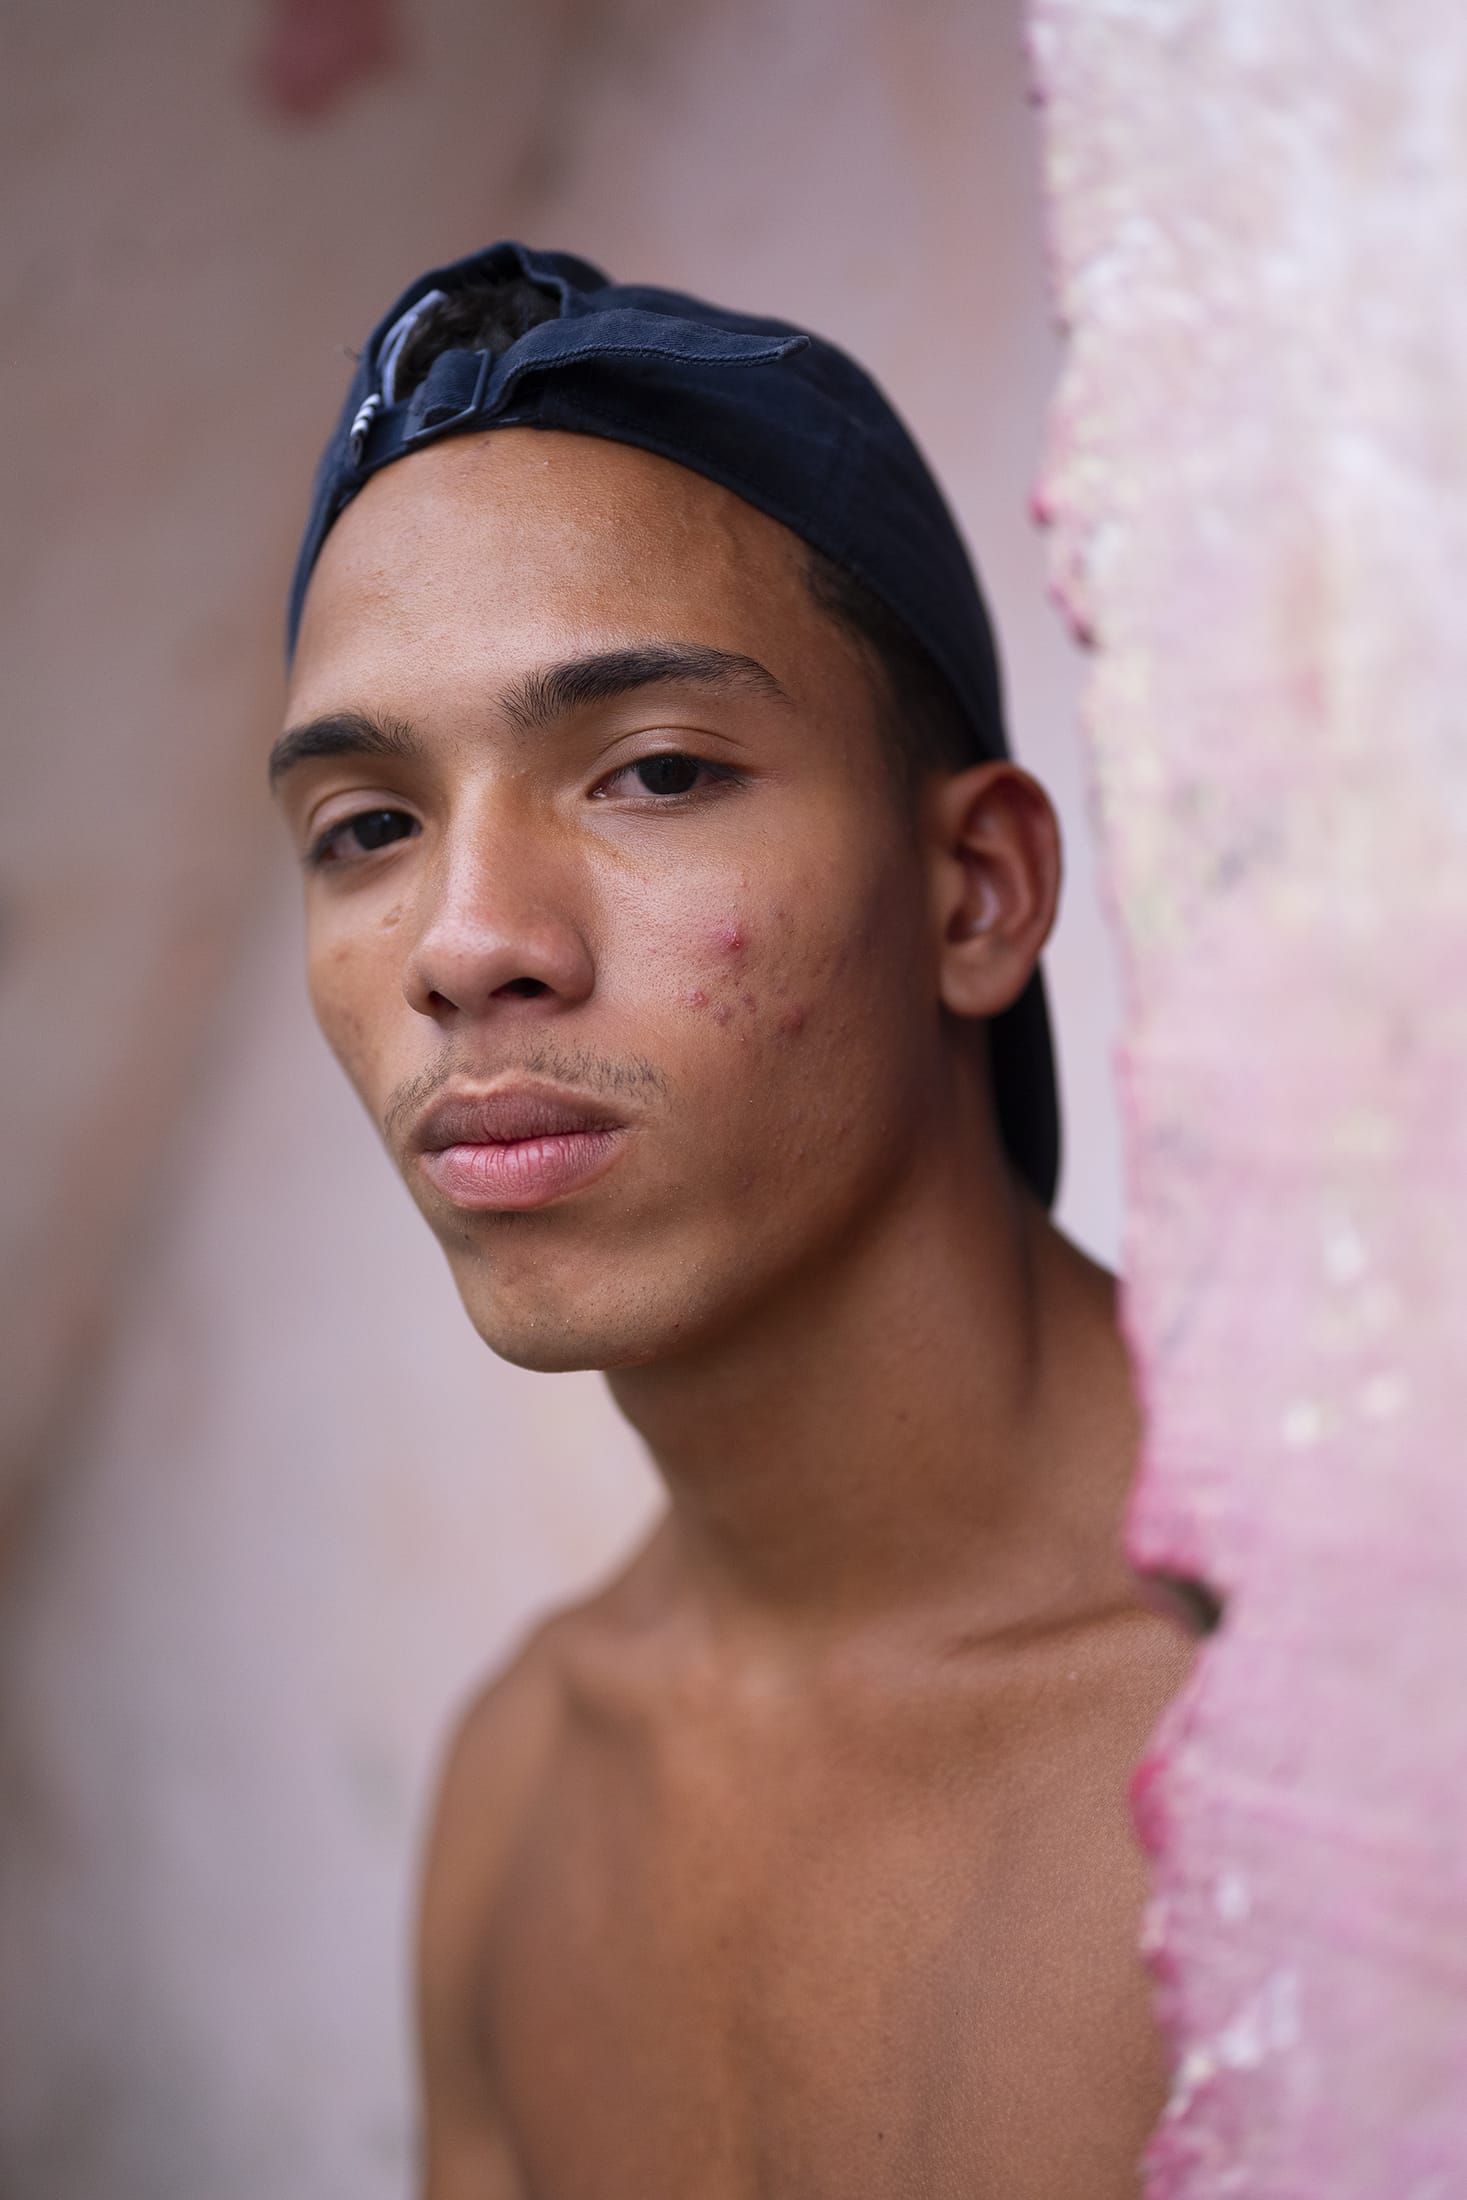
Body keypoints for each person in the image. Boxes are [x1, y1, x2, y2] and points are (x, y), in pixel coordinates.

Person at [272, 242, 1191, 2199]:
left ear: (975, 891)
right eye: (368, 825)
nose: (463, 943)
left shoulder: (1337, 1725)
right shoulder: (523, 1791)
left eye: (656, 770)